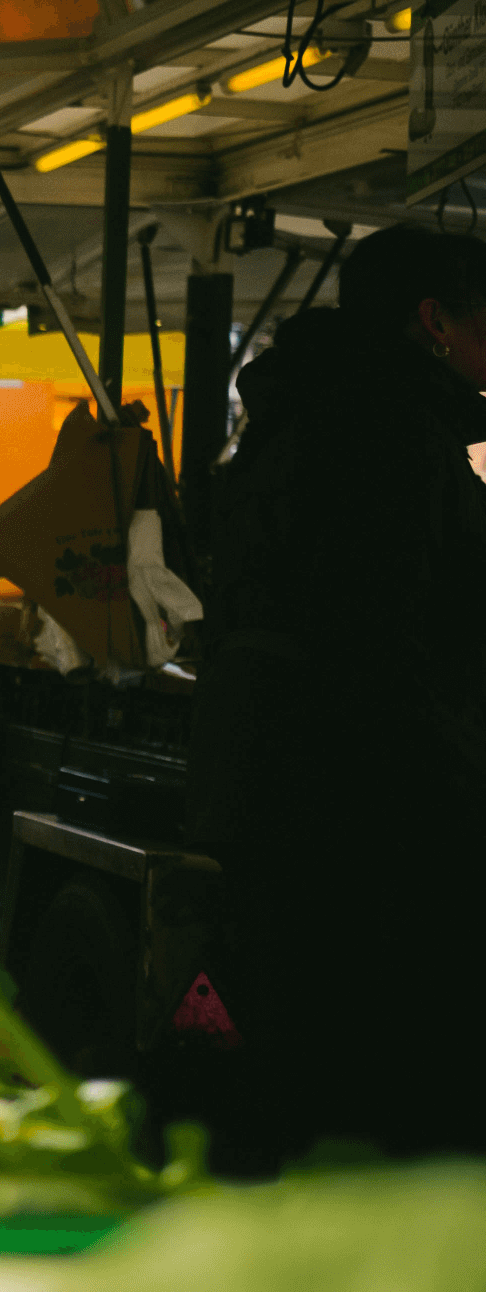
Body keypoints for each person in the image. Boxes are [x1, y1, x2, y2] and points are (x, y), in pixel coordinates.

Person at [200, 224, 486, 1168]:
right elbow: (394, 639)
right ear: (435, 321)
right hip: (361, 801)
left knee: (286, 1034)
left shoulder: (298, 413)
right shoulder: (394, 434)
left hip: (264, 771)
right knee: (363, 1060)